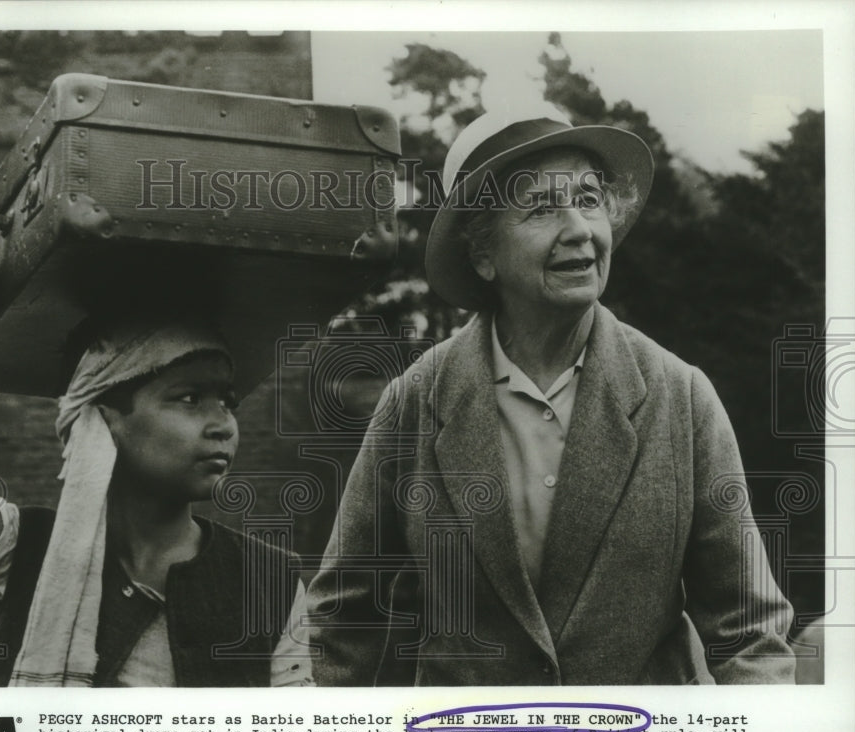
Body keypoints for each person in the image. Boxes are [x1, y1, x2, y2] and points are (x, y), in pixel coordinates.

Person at [306, 113, 796, 685]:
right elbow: (344, 616)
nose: (580, 229)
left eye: (589, 199)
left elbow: (751, 632)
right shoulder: (412, 403)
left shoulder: (681, 397)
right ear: (483, 254)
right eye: (541, 208)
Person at [0, 251, 311, 687]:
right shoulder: (30, 550)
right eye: (190, 398)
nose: (223, 425)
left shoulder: (270, 581)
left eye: (228, 401)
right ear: (103, 418)